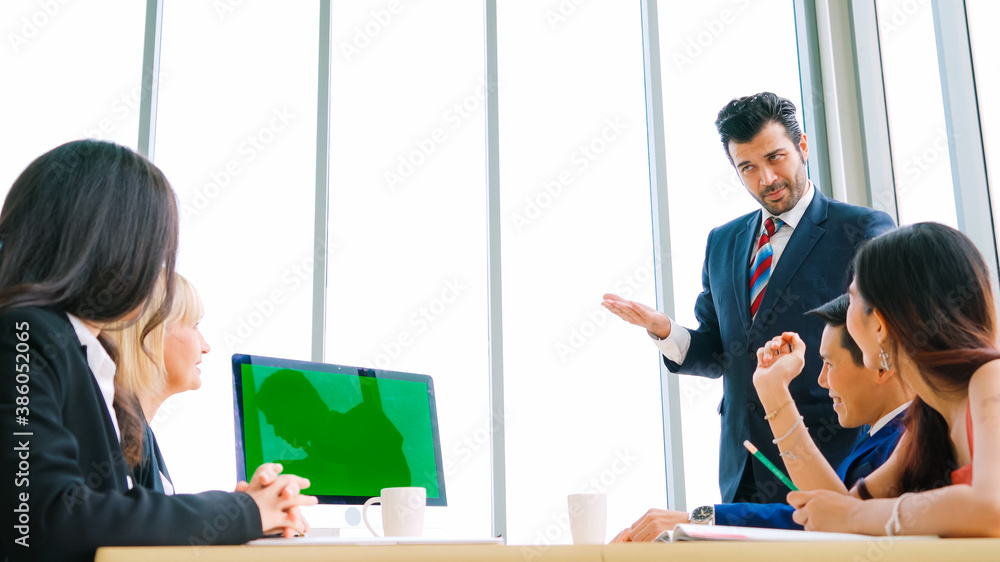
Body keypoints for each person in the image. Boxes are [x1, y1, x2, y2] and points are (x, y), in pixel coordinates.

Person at [0, 140, 316, 562]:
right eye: (154, 248)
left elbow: (110, 513)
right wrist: (241, 512)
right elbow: (42, 518)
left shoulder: (88, 356)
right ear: (116, 246)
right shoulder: (24, 331)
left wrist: (246, 513)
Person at [603, 92, 895, 504]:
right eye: (748, 168)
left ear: (803, 147)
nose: (767, 179)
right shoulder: (723, 242)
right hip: (743, 466)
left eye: (776, 158)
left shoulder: (861, 229)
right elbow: (720, 353)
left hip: (829, 457)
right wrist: (665, 331)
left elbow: (883, 342)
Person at [612, 294, 912, 541]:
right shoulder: (879, 438)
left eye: (830, 364)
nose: (822, 381)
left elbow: (837, 522)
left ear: (881, 364)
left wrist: (701, 519)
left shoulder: (908, 444)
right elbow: (837, 515)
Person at [789, 223, 1000, 537]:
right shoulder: (927, 417)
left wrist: (854, 514)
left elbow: (991, 509)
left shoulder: (990, 377)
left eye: (852, 298)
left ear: (879, 325)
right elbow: (845, 507)